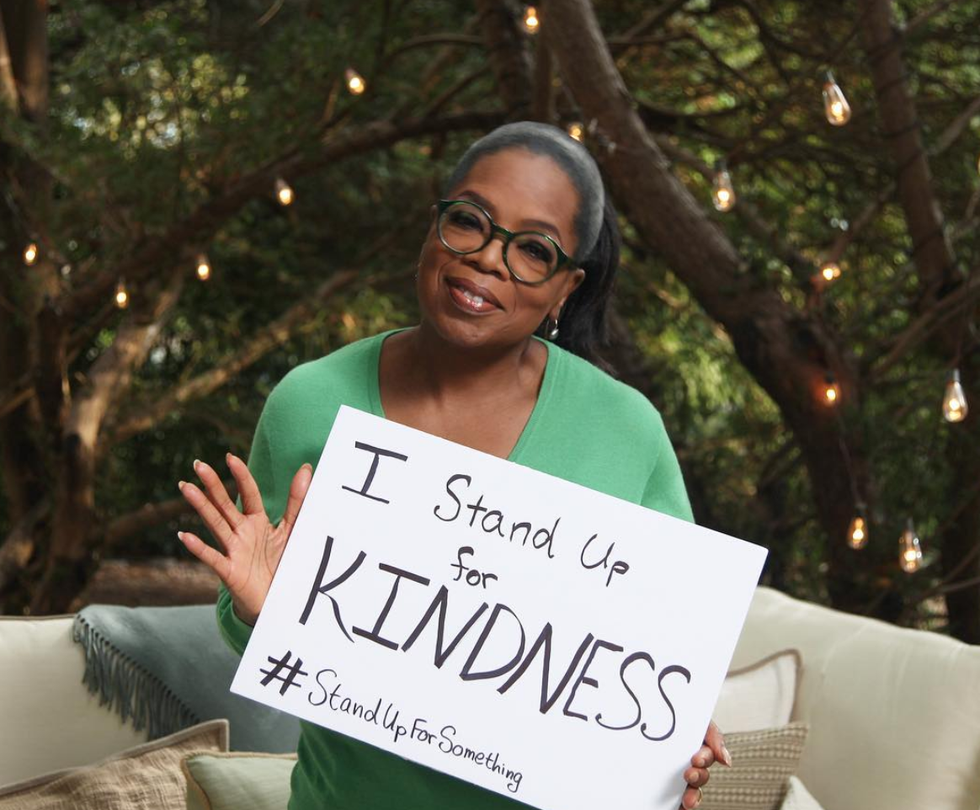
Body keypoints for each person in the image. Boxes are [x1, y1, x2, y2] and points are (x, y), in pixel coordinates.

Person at [177, 120, 730, 810]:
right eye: (470, 220)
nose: (489, 258)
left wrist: (671, 746)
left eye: (534, 249)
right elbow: (255, 625)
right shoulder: (311, 402)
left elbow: (662, 659)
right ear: (433, 227)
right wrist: (263, 613)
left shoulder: (627, 431)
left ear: (565, 288)